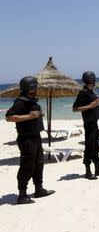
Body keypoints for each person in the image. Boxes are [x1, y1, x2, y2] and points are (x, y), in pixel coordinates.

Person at [5, 76, 55, 204]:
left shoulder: (31, 100)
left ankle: (39, 189)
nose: (36, 89)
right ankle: (22, 194)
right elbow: (9, 117)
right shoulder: (20, 102)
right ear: (30, 87)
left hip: (35, 136)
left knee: (39, 163)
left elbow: (33, 114)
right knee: (27, 165)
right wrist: (30, 116)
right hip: (26, 138)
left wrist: (39, 114)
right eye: (35, 87)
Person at [73, 71, 99, 179]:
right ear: (90, 81)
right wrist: (91, 105)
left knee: (95, 147)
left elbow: (92, 104)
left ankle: (97, 169)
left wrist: (97, 102)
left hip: (94, 123)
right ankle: (88, 172)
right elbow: (75, 109)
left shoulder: (90, 92)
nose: (93, 83)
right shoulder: (83, 92)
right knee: (89, 147)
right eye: (92, 81)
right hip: (89, 123)